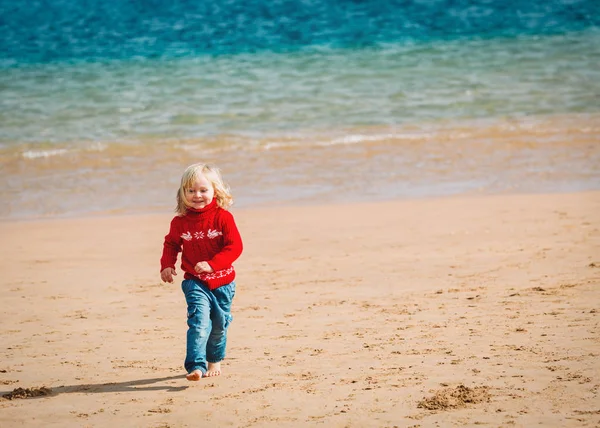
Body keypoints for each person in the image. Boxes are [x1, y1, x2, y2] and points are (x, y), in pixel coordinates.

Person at [160, 163, 243, 380]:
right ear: (183, 193)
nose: (197, 195)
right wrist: (167, 264)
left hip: (223, 282)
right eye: (191, 190)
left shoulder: (223, 217)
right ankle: (196, 366)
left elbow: (235, 247)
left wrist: (213, 264)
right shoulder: (180, 222)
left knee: (219, 325)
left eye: (203, 190)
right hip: (194, 282)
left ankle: (214, 360)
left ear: (215, 191)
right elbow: (171, 244)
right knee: (198, 322)